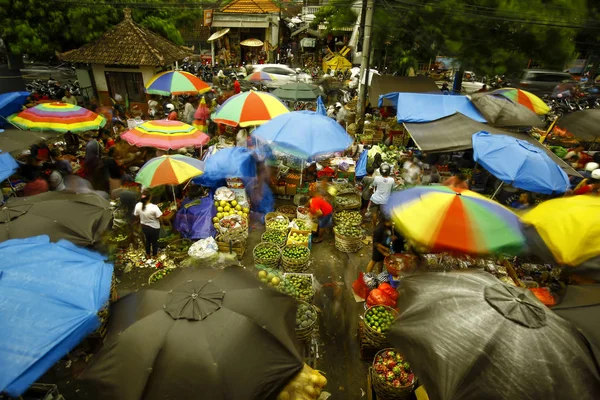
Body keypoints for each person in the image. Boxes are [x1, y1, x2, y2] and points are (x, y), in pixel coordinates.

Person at [134, 191, 163, 259]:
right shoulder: (154, 207)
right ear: (150, 198)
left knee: (148, 240)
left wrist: (140, 220)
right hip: (154, 227)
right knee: (154, 242)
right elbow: (160, 218)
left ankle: (148, 254)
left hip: (144, 227)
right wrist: (162, 224)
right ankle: (155, 255)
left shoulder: (138, 205)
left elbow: (136, 215)